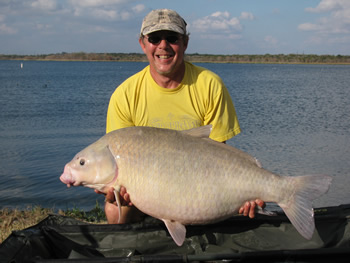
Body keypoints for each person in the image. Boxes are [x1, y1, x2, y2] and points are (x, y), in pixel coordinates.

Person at [96, 9, 265, 224]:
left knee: (236, 198)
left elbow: (219, 157)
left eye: (172, 38)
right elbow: (118, 153)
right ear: (143, 44)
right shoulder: (125, 94)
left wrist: (244, 194)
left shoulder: (209, 85)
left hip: (199, 190)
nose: (163, 46)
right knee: (114, 209)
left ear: (185, 43)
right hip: (146, 194)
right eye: (154, 38)